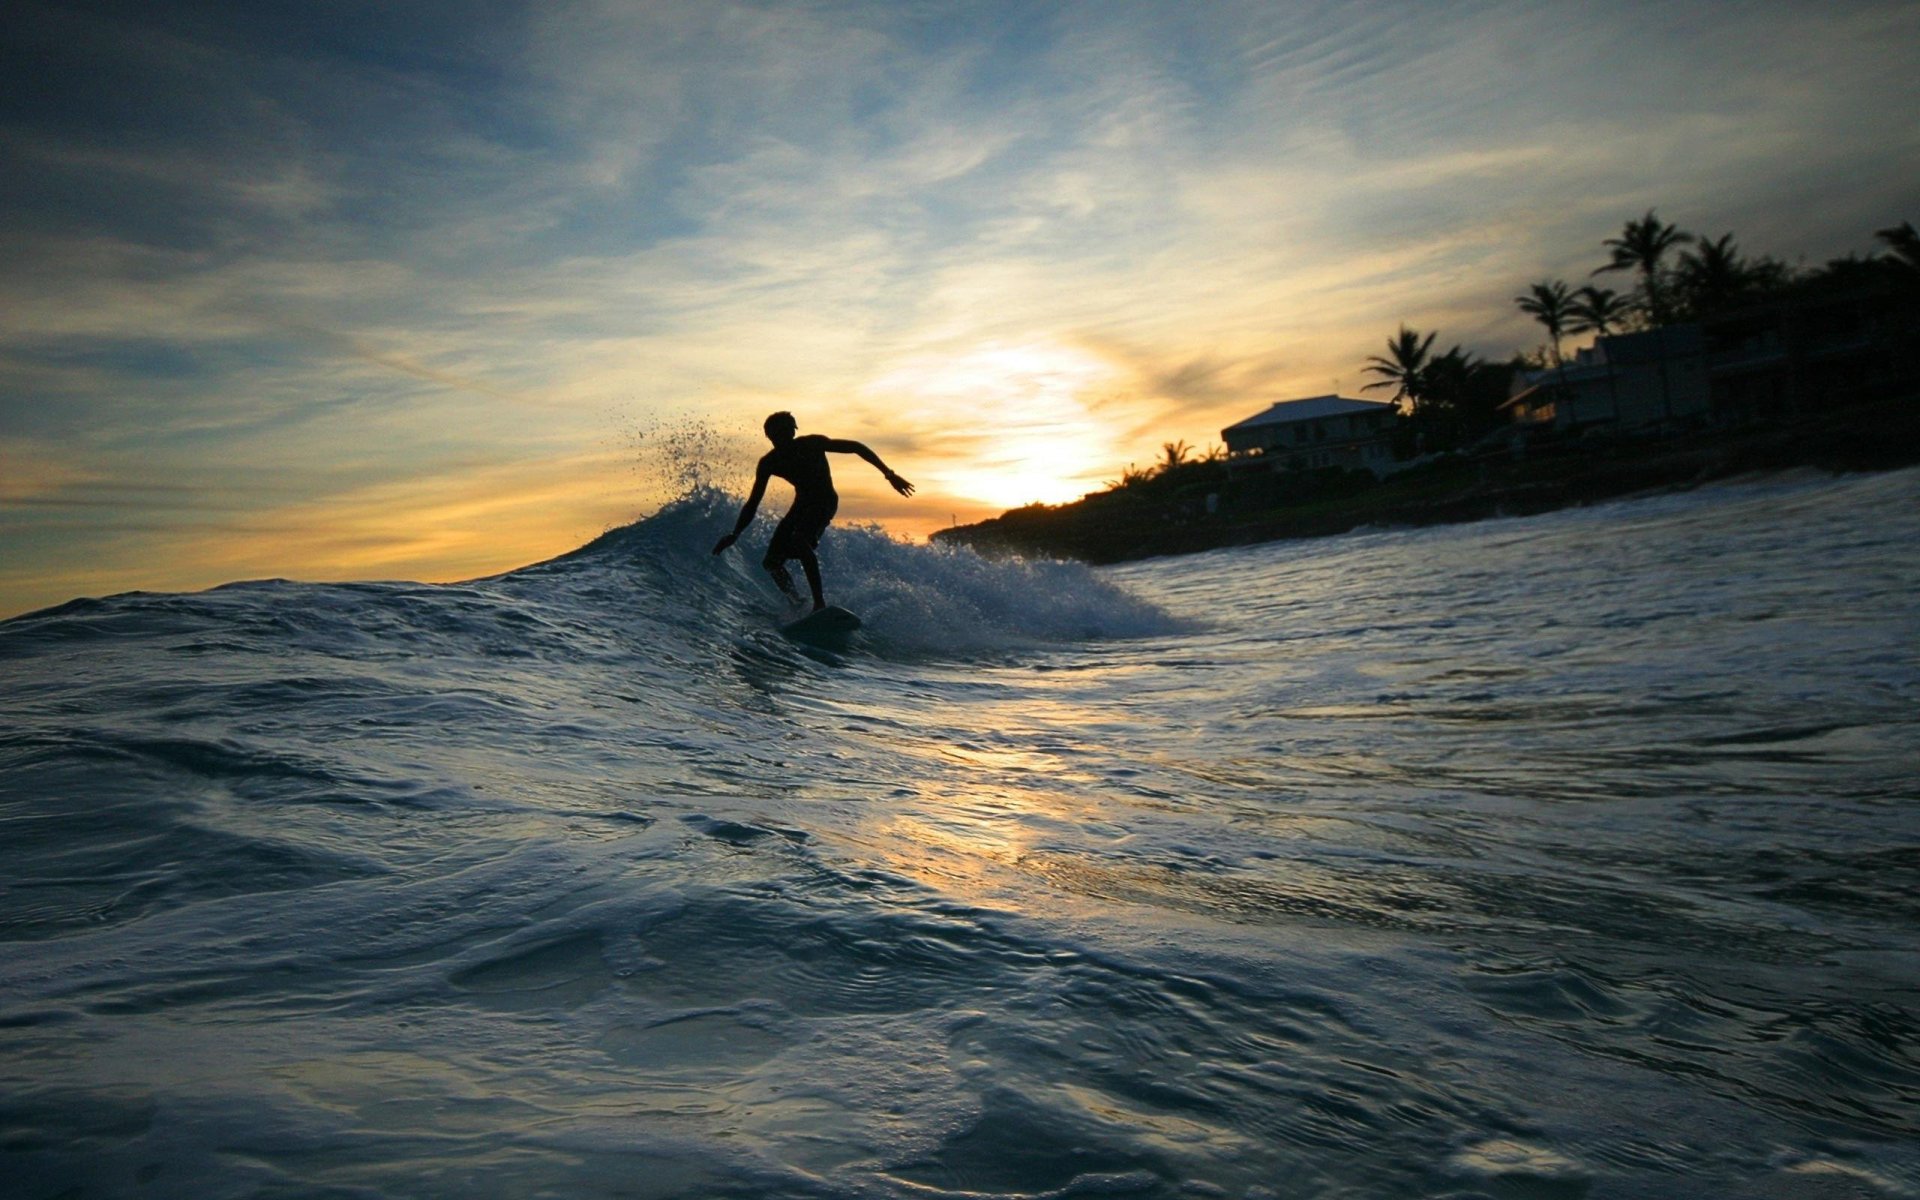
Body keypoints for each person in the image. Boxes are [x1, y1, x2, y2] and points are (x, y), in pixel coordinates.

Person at [712, 411, 914, 610]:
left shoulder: (811, 444)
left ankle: (819, 602)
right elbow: (753, 502)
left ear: (792, 432)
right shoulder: (769, 463)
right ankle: (796, 601)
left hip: (824, 500)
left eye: (786, 432)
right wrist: (736, 533)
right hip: (801, 505)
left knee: (800, 541)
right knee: (771, 563)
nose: (782, 438)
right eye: (776, 435)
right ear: (769, 436)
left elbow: (855, 447)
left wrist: (889, 474)